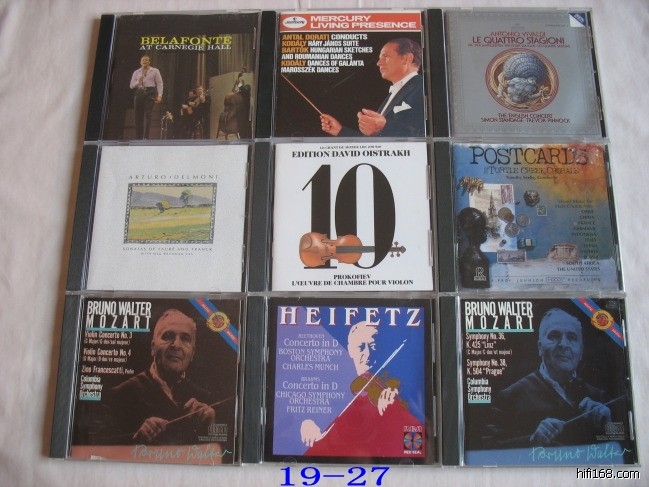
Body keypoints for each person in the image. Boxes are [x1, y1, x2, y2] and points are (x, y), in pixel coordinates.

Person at [484, 308, 613, 448]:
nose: (563, 344)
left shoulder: (601, 398)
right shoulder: (510, 397)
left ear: (580, 351)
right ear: (540, 347)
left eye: (571, 337)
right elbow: (488, 449)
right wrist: (531, 441)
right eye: (554, 336)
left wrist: (608, 426)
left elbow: (619, 448)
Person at [300, 321, 422, 457]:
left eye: (373, 347)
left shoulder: (399, 387)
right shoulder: (332, 385)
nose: (367, 354)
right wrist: (307, 423)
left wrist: (392, 415)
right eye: (360, 347)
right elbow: (314, 419)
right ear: (350, 350)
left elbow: (413, 443)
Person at [102, 309, 217, 445]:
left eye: (185, 339)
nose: (176, 345)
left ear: (192, 353)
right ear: (153, 347)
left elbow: (217, 451)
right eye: (168, 336)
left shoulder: (206, 401)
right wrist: (135, 441)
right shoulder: (119, 396)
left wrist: (211, 428)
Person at [320, 38, 425, 138]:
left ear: (407, 59)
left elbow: (426, 134)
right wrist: (340, 131)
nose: (378, 63)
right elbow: (375, 143)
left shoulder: (423, 87)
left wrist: (384, 127)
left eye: (386, 56)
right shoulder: (395, 92)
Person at [129, 55, 163, 140]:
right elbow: (131, 86)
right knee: (138, 115)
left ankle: (146, 137)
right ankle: (139, 138)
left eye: (146, 60)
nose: (144, 61)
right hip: (139, 92)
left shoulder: (155, 71)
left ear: (149, 62)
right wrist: (138, 81)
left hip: (150, 92)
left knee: (148, 114)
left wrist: (159, 95)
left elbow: (159, 83)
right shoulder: (136, 72)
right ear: (140, 62)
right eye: (143, 60)